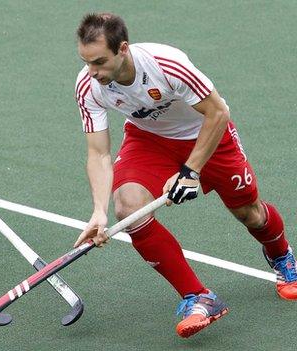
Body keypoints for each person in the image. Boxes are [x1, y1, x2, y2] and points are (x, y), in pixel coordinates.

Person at [72, 13, 296, 338]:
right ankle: (198, 296)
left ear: (122, 49)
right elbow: (98, 153)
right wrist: (97, 211)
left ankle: (281, 255)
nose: (93, 72)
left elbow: (218, 112)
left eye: (99, 62)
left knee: (249, 212)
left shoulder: (165, 64)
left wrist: (190, 171)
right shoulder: (89, 86)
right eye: (86, 62)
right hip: (148, 140)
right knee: (127, 207)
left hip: (207, 132)